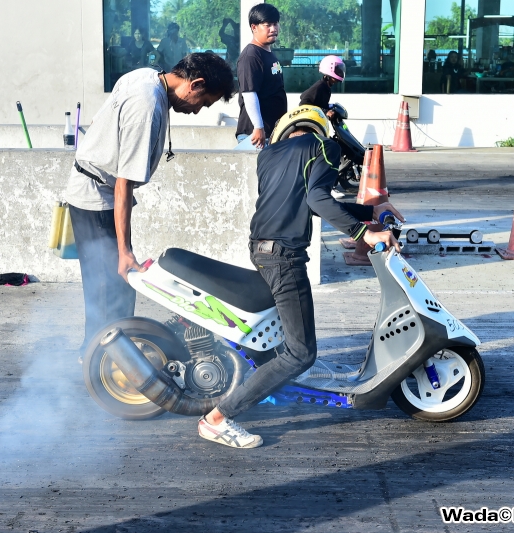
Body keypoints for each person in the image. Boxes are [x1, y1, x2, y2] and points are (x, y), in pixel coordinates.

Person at [197, 105, 404, 448]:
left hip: (261, 250)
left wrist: (370, 211)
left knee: (289, 340)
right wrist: (362, 232)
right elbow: (318, 198)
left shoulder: (268, 156)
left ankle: (287, 378)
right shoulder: (325, 147)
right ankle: (218, 418)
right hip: (284, 257)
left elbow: (303, 202)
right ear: (320, 130)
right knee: (300, 353)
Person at [65, 53, 235, 349]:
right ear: (195, 84)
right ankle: (103, 365)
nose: (197, 112)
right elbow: (123, 184)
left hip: (92, 186)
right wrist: (125, 251)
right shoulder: (147, 106)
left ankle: (99, 357)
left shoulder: (146, 75)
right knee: (111, 290)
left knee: (109, 288)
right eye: (204, 102)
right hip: (97, 196)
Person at [235, 4, 287, 148]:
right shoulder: (251, 56)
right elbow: (249, 93)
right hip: (255, 136)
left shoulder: (268, 53)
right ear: (254, 27)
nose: (273, 29)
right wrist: (258, 127)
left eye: (275, 24)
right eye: (268, 25)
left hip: (271, 133)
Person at [299, 55, 345, 119]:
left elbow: (319, 104)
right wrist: (325, 111)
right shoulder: (319, 86)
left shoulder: (326, 87)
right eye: (338, 70)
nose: (340, 73)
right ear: (330, 70)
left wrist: (331, 107)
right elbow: (304, 104)